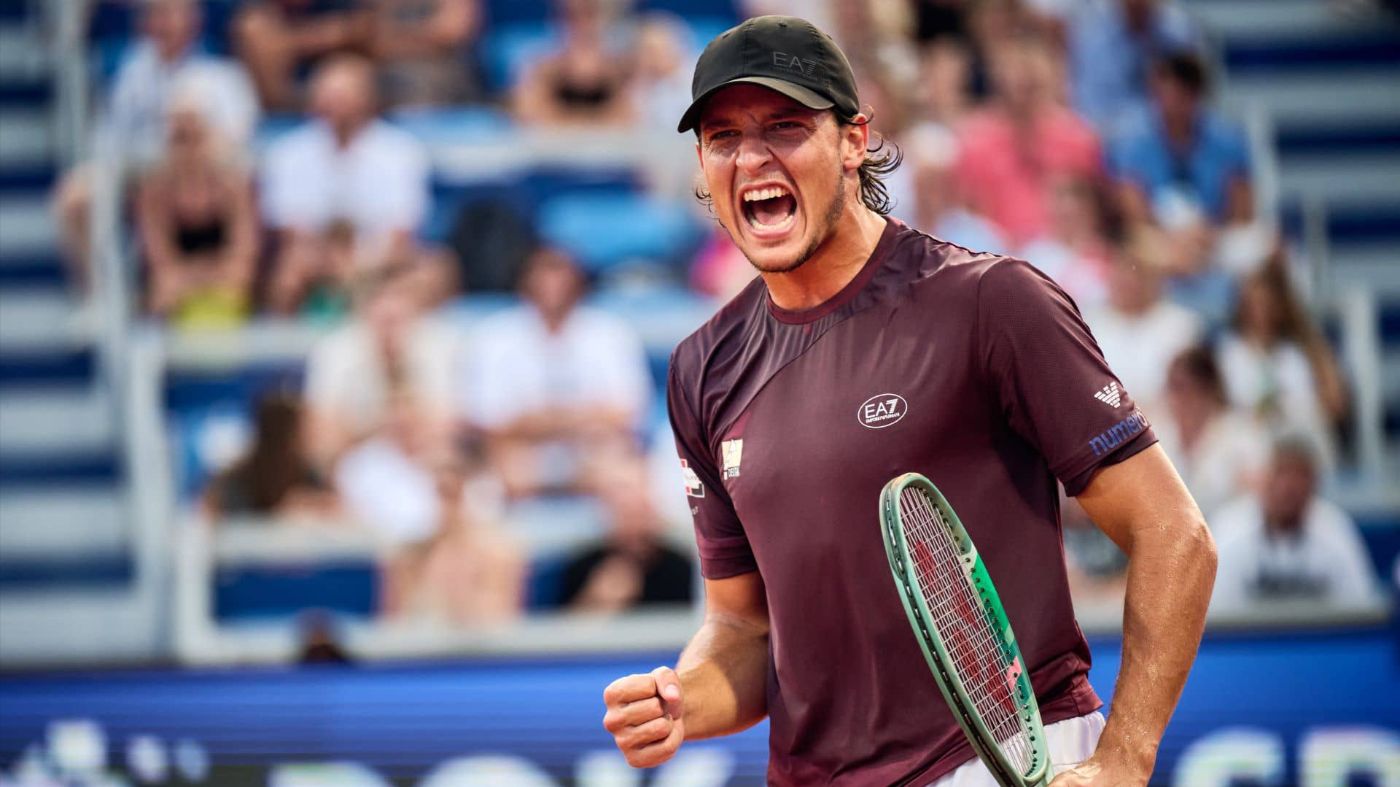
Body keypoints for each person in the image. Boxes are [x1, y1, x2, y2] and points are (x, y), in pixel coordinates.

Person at [601, 16, 1216, 786]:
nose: (752, 157)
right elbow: (744, 627)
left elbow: (1175, 534)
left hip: (1003, 762)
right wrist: (680, 700)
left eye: (785, 127)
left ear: (854, 140)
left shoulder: (992, 302)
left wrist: (1124, 756)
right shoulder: (701, 368)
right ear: (702, 163)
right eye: (724, 137)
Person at [54, 0, 257, 295]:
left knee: (201, 188)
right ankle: (102, 296)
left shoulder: (222, 75)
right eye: (157, 15)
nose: (164, 24)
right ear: (144, 24)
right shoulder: (131, 74)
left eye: (172, 15)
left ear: (194, 22)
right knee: (75, 197)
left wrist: (189, 145)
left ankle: (228, 277)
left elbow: (239, 143)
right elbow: (112, 138)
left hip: (210, 179)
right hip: (143, 173)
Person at [462, 248, 651, 499]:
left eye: (560, 278)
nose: (552, 288)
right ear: (524, 283)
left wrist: (545, 420)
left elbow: (627, 411)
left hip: (591, 451)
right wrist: (574, 419)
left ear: (578, 284)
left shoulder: (610, 333)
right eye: (543, 278)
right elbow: (486, 419)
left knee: (625, 474)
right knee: (489, 478)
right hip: (520, 454)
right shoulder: (494, 336)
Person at [259, 54, 431, 314]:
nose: (332, 104)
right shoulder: (287, 153)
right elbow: (292, 234)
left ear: (367, 98)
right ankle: (285, 336)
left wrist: (360, 263)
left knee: (431, 272)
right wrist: (330, 262)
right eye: (326, 95)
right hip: (313, 262)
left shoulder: (401, 152)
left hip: (380, 262)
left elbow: (400, 233)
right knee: (287, 274)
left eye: (342, 96)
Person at [303, 261, 461, 467]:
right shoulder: (334, 350)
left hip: (426, 466)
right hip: (354, 467)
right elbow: (321, 442)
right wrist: (378, 434)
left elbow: (449, 433)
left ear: (416, 305)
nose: (389, 311)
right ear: (362, 308)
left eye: (400, 299)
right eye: (379, 300)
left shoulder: (440, 343)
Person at [954, 33, 1103, 247]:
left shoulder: (1078, 138)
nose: (1023, 80)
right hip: (998, 253)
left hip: (1068, 252)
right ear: (998, 77)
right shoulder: (975, 142)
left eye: (1031, 78)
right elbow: (971, 220)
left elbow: (1093, 215)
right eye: (1015, 73)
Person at [135, 86, 259, 328]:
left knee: (236, 286)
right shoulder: (155, 193)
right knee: (163, 294)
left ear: (210, 136)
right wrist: (203, 275)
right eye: (180, 138)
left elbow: (244, 257)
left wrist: (200, 275)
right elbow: (161, 263)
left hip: (221, 277)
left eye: (195, 136)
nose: (189, 149)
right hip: (180, 281)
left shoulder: (233, 187)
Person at [1211, 437, 1379, 613]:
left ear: (1314, 484)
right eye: (1280, 474)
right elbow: (1216, 614)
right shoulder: (1230, 529)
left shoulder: (1336, 529)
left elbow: (1360, 608)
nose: (1288, 487)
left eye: (1299, 476)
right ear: (1263, 479)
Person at [1216, 263, 1348, 470]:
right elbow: (1222, 407)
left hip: (1299, 434)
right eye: (1254, 305)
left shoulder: (1302, 351)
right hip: (1251, 437)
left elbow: (1334, 404)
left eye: (1267, 305)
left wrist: (1287, 408)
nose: (1260, 313)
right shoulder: (1230, 354)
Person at [1083, 228, 1203, 420]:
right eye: (1122, 269)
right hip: (1102, 424)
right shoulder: (1089, 323)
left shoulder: (1182, 326)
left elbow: (1186, 392)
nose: (1129, 281)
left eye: (1138, 271)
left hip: (1163, 426)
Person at [560, 458, 695, 614]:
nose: (634, 524)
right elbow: (564, 626)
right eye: (625, 512)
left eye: (639, 512)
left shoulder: (680, 568)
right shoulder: (581, 567)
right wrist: (597, 600)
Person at [1157, 346, 1270, 521]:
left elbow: (1256, 496)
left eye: (1183, 387)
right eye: (1172, 387)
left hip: (1226, 528)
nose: (1177, 398)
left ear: (1207, 389)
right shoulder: (1159, 432)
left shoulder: (1241, 434)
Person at [204, 392, 337, 520]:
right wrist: (282, 514)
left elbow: (335, 511)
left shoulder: (309, 475)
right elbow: (235, 524)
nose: (311, 436)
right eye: (303, 429)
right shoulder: (238, 480)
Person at [511, 0, 633, 127]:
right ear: (557, 19)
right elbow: (528, 114)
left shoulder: (619, 66)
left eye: (587, 15)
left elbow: (628, 117)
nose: (580, 24)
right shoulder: (539, 65)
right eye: (571, 16)